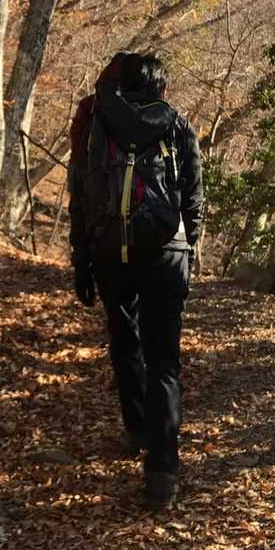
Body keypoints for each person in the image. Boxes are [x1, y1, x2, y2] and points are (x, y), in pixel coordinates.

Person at [68, 51, 203, 508]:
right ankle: (163, 470)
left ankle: (138, 429)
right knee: (164, 361)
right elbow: (192, 196)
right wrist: (188, 248)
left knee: (125, 340)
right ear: (159, 87)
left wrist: (81, 259)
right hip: (166, 250)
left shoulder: (96, 123)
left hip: (110, 248)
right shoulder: (178, 125)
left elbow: (81, 194)